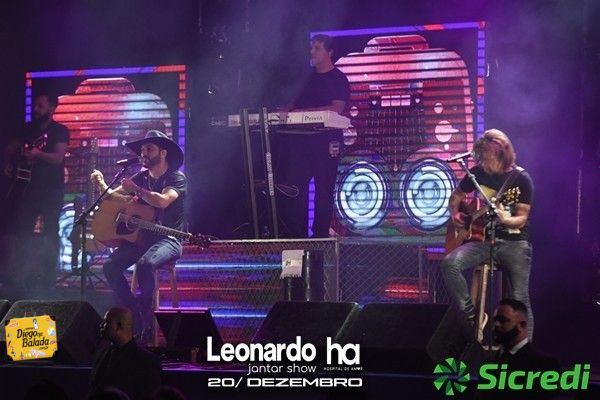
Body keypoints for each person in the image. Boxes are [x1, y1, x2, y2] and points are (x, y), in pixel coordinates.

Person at [91, 130, 186, 341]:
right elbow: (114, 196)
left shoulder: (176, 178)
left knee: (145, 264)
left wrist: (136, 189)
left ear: (163, 153)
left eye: (149, 149)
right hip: (142, 240)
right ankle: (135, 314)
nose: (143, 153)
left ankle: (148, 323)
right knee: (109, 266)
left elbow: (162, 201)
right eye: (142, 150)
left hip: (169, 240)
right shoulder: (141, 178)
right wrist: (101, 184)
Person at [441, 129, 535, 339]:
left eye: (486, 158)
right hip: (484, 241)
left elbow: (522, 218)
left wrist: (505, 219)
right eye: (480, 158)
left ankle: (523, 350)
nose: (482, 163)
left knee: (520, 299)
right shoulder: (477, 173)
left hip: (514, 244)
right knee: (449, 264)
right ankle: (472, 315)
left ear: (500, 154)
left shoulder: (521, 179)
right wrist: (455, 214)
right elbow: (456, 196)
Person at [276, 33, 350, 238]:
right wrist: (287, 110)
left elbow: (337, 108)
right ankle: (297, 235)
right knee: (296, 186)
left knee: (323, 188)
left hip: (327, 141)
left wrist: (305, 112)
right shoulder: (307, 78)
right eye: (311, 48)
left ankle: (319, 235)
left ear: (330, 52)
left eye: (317, 48)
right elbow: (294, 102)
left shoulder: (339, 79)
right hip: (302, 140)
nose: (312, 52)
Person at [2, 93, 69, 290]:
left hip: (52, 190)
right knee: (23, 230)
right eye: (36, 105)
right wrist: (7, 162)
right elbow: (11, 147)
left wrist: (38, 154)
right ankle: (22, 276)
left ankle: (48, 279)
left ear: (52, 108)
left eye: (41, 106)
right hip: (29, 189)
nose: (36, 109)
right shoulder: (28, 129)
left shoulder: (59, 131)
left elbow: (58, 157)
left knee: (50, 231)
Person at [478, 299, 560, 400]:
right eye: (495, 320)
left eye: (502, 320)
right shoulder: (490, 363)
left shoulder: (544, 365)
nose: (497, 325)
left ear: (522, 325)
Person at [88, 307, 161, 400]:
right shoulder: (102, 354)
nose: (101, 325)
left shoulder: (146, 361)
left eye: (106, 322)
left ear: (119, 326)